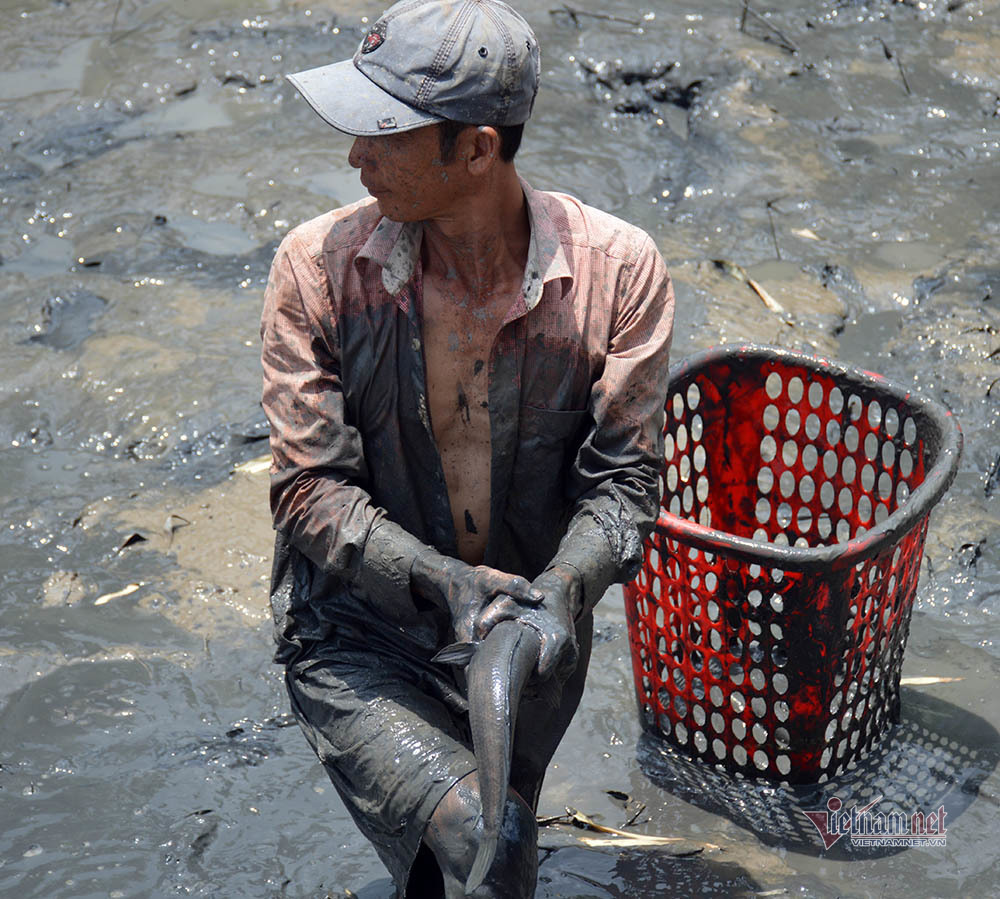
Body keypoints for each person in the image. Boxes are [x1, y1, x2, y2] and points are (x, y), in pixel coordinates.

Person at [259, 1, 675, 896]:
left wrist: (560, 593)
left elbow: (627, 485)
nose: (354, 156)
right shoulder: (318, 267)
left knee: (488, 847)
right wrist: (442, 581)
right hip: (360, 629)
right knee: (489, 834)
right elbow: (308, 490)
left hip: (525, 636)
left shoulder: (617, 272)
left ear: (478, 148)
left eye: (384, 132)